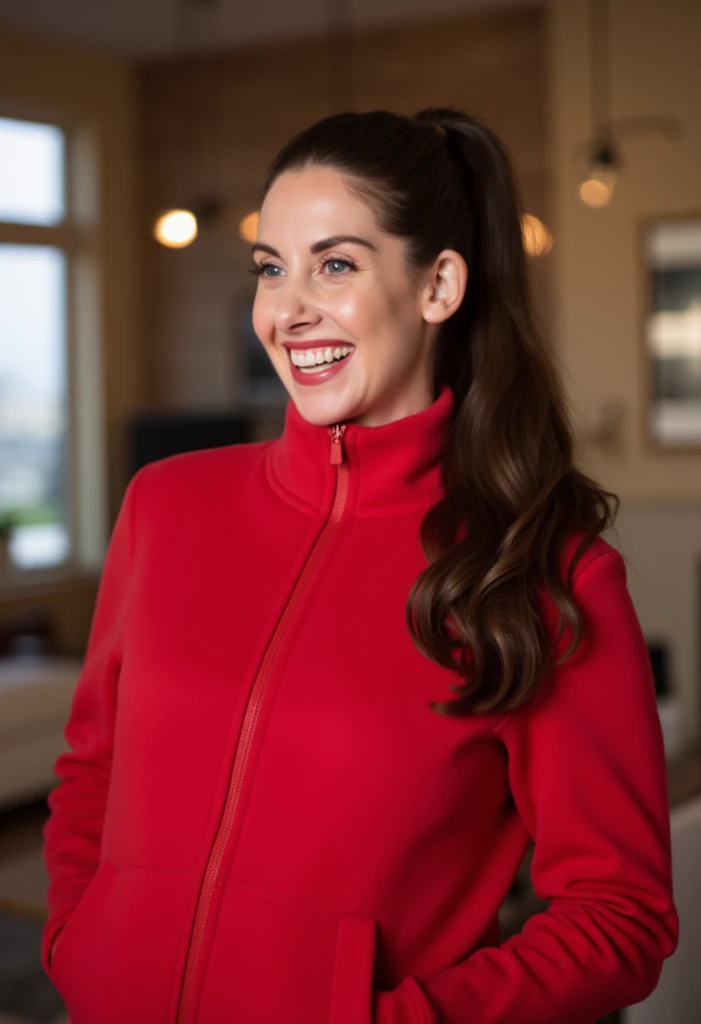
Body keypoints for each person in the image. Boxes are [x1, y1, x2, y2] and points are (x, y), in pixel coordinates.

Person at [42, 107, 678, 1024]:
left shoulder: (540, 572)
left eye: (334, 264)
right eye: (271, 268)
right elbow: (92, 770)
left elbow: (618, 918)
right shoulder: (165, 506)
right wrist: (80, 944)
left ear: (439, 286)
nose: (286, 309)